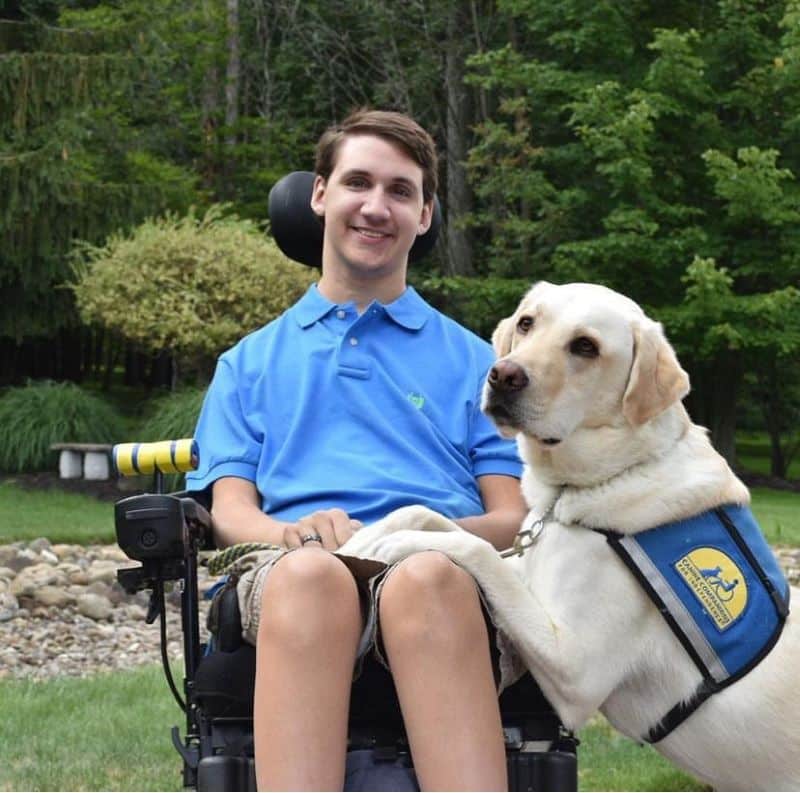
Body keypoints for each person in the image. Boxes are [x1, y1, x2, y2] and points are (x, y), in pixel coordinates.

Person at [187, 109, 528, 791]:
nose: (376, 206)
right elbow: (229, 510)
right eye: (358, 183)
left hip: (442, 562)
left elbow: (512, 515)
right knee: (313, 577)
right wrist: (293, 534)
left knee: (427, 578)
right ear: (320, 195)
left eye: (401, 191)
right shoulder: (248, 363)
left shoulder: (478, 363)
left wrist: (419, 533)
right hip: (292, 563)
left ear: (425, 214)